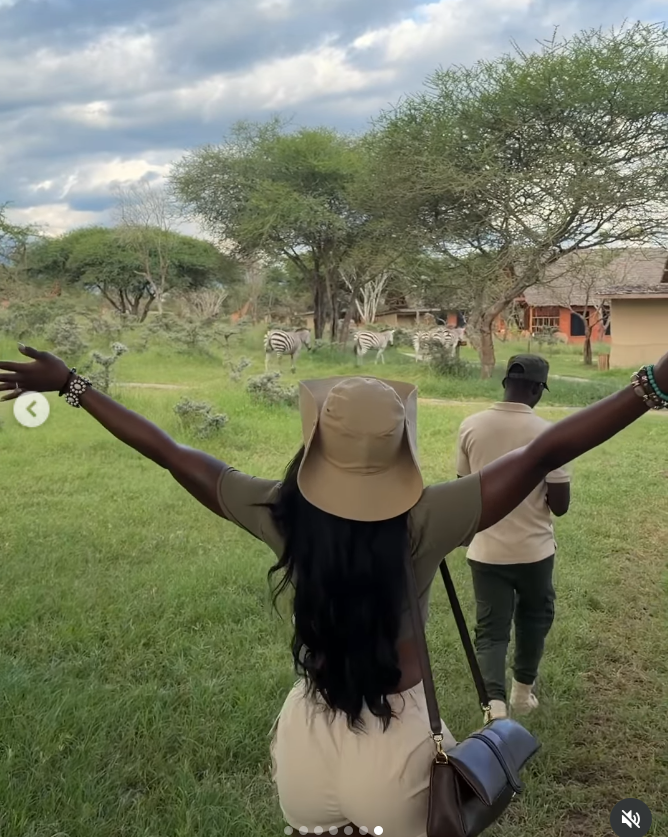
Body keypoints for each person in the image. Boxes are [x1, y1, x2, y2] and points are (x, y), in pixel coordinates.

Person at [1, 344, 667, 837]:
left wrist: (73, 384)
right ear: (399, 447)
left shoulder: (278, 509)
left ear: (316, 441)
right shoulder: (427, 518)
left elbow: (172, 450)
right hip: (399, 744)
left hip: (306, 734)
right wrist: (651, 384)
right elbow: (544, 454)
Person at [456, 355, 570, 721]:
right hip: (534, 551)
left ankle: (495, 708)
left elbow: (464, 489)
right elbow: (561, 505)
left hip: (486, 550)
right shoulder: (550, 434)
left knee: (491, 629)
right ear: (537, 389)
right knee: (535, 618)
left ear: (505, 382)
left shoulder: (471, 426)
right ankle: (523, 695)